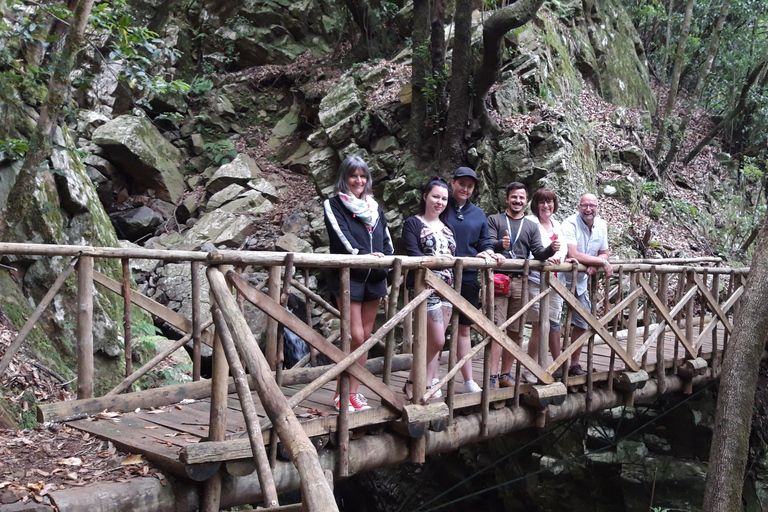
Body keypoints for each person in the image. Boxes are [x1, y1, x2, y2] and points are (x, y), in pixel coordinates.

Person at [324, 156, 393, 411]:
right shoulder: (333, 204)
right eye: (354, 176)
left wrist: (385, 262)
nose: (359, 180)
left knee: (366, 339)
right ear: (345, 178)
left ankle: (353, 393)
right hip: (349, 275)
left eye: (363, 176)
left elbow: (386, 239)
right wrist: (361, 255)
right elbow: (340, 234)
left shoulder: (374, 208)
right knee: (355, 335)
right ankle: (340, 393)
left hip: (374, 277)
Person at [487, 182, 558, 389]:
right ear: (507, 198)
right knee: (496, 327)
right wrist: (501, 245)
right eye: (514, 197)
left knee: (516, 330)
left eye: (521, 198)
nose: (517, 201)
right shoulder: (495, 220)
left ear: (526, 201)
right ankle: (491, 376)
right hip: (499, 279)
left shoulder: (531, 225)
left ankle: (505, 374)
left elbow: (538, 253)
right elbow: (487, 243)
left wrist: (551, 250)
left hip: (521, 281)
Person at [444, 167, 505, 394]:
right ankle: (426, 380)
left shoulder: (478, 214)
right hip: (441, 276)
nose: (465, 189)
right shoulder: (442, 206)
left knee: (464, 330)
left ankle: (468, 380)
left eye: (470, 186)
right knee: (437, 331)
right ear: (453, 183)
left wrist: (491, 253)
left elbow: (484, 243)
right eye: (462, 184)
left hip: (468, 277)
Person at [401, 177, 456, 400]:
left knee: (438, 339)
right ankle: (413, 380)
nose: (439, 202)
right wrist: (437, 261)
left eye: (444, 198)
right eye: (435, 196)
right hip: (425, 286)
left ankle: (429, 382)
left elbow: (454, 256)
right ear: (425, 196)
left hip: (448, 287)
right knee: (436, 340)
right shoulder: (413, 223)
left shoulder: (448, 227)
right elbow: (413, 254)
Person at [560, 193, 614, 376]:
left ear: (597, 207)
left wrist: (596, 262)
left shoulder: (602, 225)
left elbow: (605, 252)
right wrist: (601, 263)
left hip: (581, 282)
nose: (588, 209)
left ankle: (573, 364)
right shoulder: (569, 224)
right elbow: (573, 253)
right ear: (578, 206)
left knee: (583, 321)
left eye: (592, 205)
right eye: (584, 205)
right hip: (559, 280)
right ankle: (553, 364)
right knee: (550, 322)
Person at [521, 188, 569, 383]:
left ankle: (544, 365)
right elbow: (530, 250)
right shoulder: (530, 223)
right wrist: (549, 257)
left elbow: (563, 249)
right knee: (539, 325)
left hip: (556, 281)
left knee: (551, 324)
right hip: (536, 280)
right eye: (542, 202)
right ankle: (529, 367)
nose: (546, 205)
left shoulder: (557, 225)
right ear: (536, 205)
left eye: (549, 202)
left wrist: (561, 259)